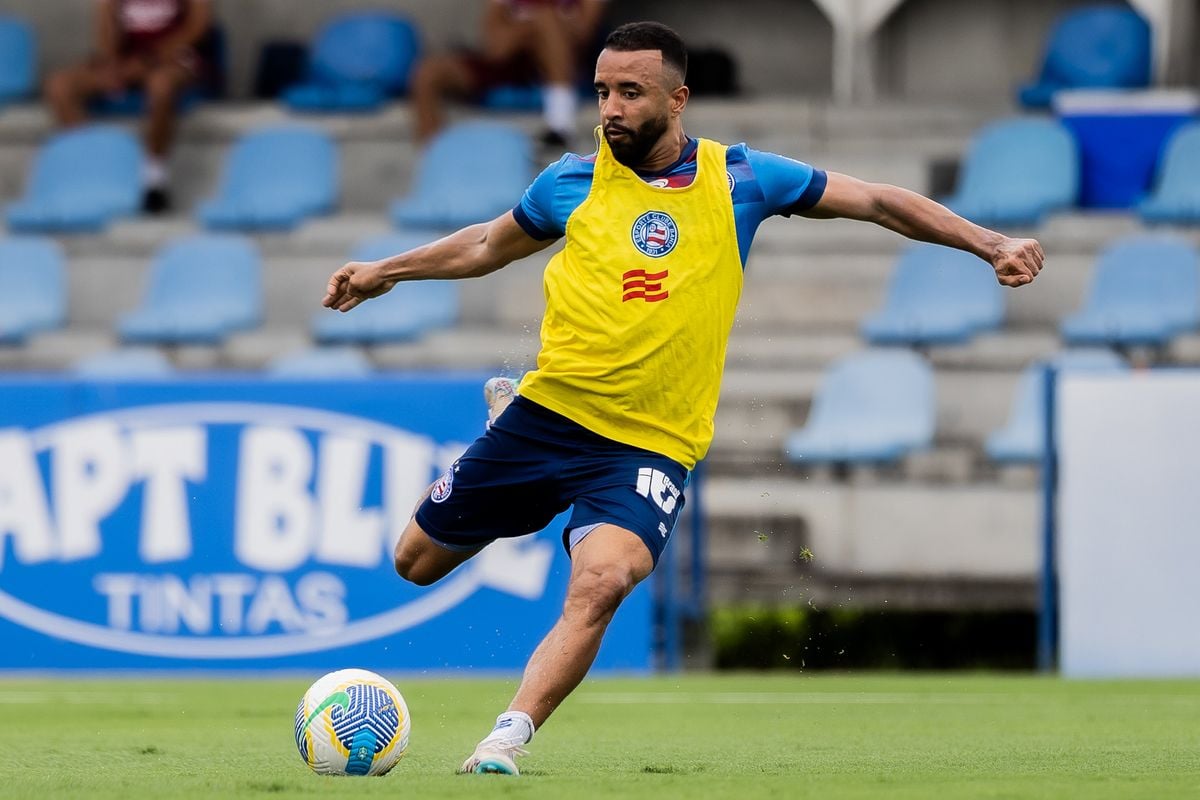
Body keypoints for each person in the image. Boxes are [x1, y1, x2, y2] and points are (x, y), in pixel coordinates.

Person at [323, 21, 1045, 776]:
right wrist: (387, 271)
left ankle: (505, 739)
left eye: (630, 92)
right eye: (602, 91)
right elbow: (482, 246)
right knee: (415, 562)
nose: (610, 108)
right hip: (548, 415)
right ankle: (519, 468)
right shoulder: (570, 181)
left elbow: (876, 201)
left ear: (678, 99)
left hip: (649, 444)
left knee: (601, 582)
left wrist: (988, 243)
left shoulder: (739, 180)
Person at [43, 0, 214, 214]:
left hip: (173, 60)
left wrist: (149, 59)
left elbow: (198, 27)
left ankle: (154, 179)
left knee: (160, 86)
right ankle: (94, 172)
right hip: (127, 62)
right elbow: (106, 30)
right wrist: (112, 64)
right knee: (59, 86)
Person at [410, 0, 608, 146]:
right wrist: (533, 29)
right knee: (428, 74)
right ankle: (434, 157)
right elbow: (496, 48)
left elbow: (583, 35)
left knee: (546, 19)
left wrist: (540, 26)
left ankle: (560, 123)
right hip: (508, 65)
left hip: (563, 65)